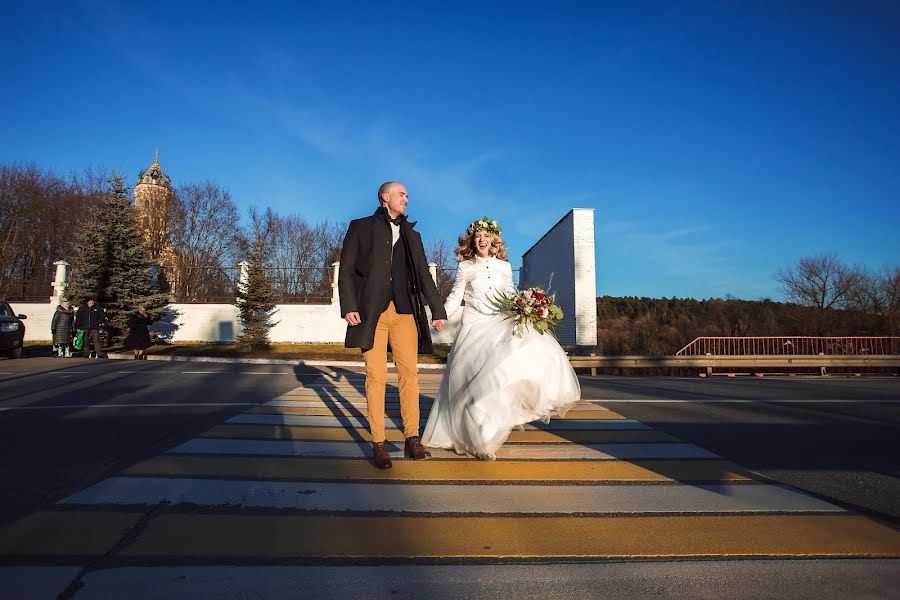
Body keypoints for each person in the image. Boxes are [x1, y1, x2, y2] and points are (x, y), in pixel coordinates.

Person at [421, 218, 580, 460]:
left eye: (487, 236)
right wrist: (441, 315)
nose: (482, 240)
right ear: (472, 241)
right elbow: (456, 296)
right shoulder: (466, 267)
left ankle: (484, 440)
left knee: (495, 381)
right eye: (478, 236)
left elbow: (509, 295)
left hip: (498, 325)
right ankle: (471, 435)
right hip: (473, 329)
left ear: (494, 240)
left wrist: (526, 307)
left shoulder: (504, 267)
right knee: (472, 386)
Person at [339, 182, 448, 469]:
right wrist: (349, 305)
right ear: (386, 197)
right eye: (402, 195)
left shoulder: (413, 235)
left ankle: (412, 439)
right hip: (371, 312)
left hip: (404, 312)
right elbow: (347, 270)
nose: (407, 200)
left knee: (409, 375)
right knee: (375, 378)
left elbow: (424, 274)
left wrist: (437, 309)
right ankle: (379, 444)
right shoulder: (360, 227)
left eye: (408, 196)